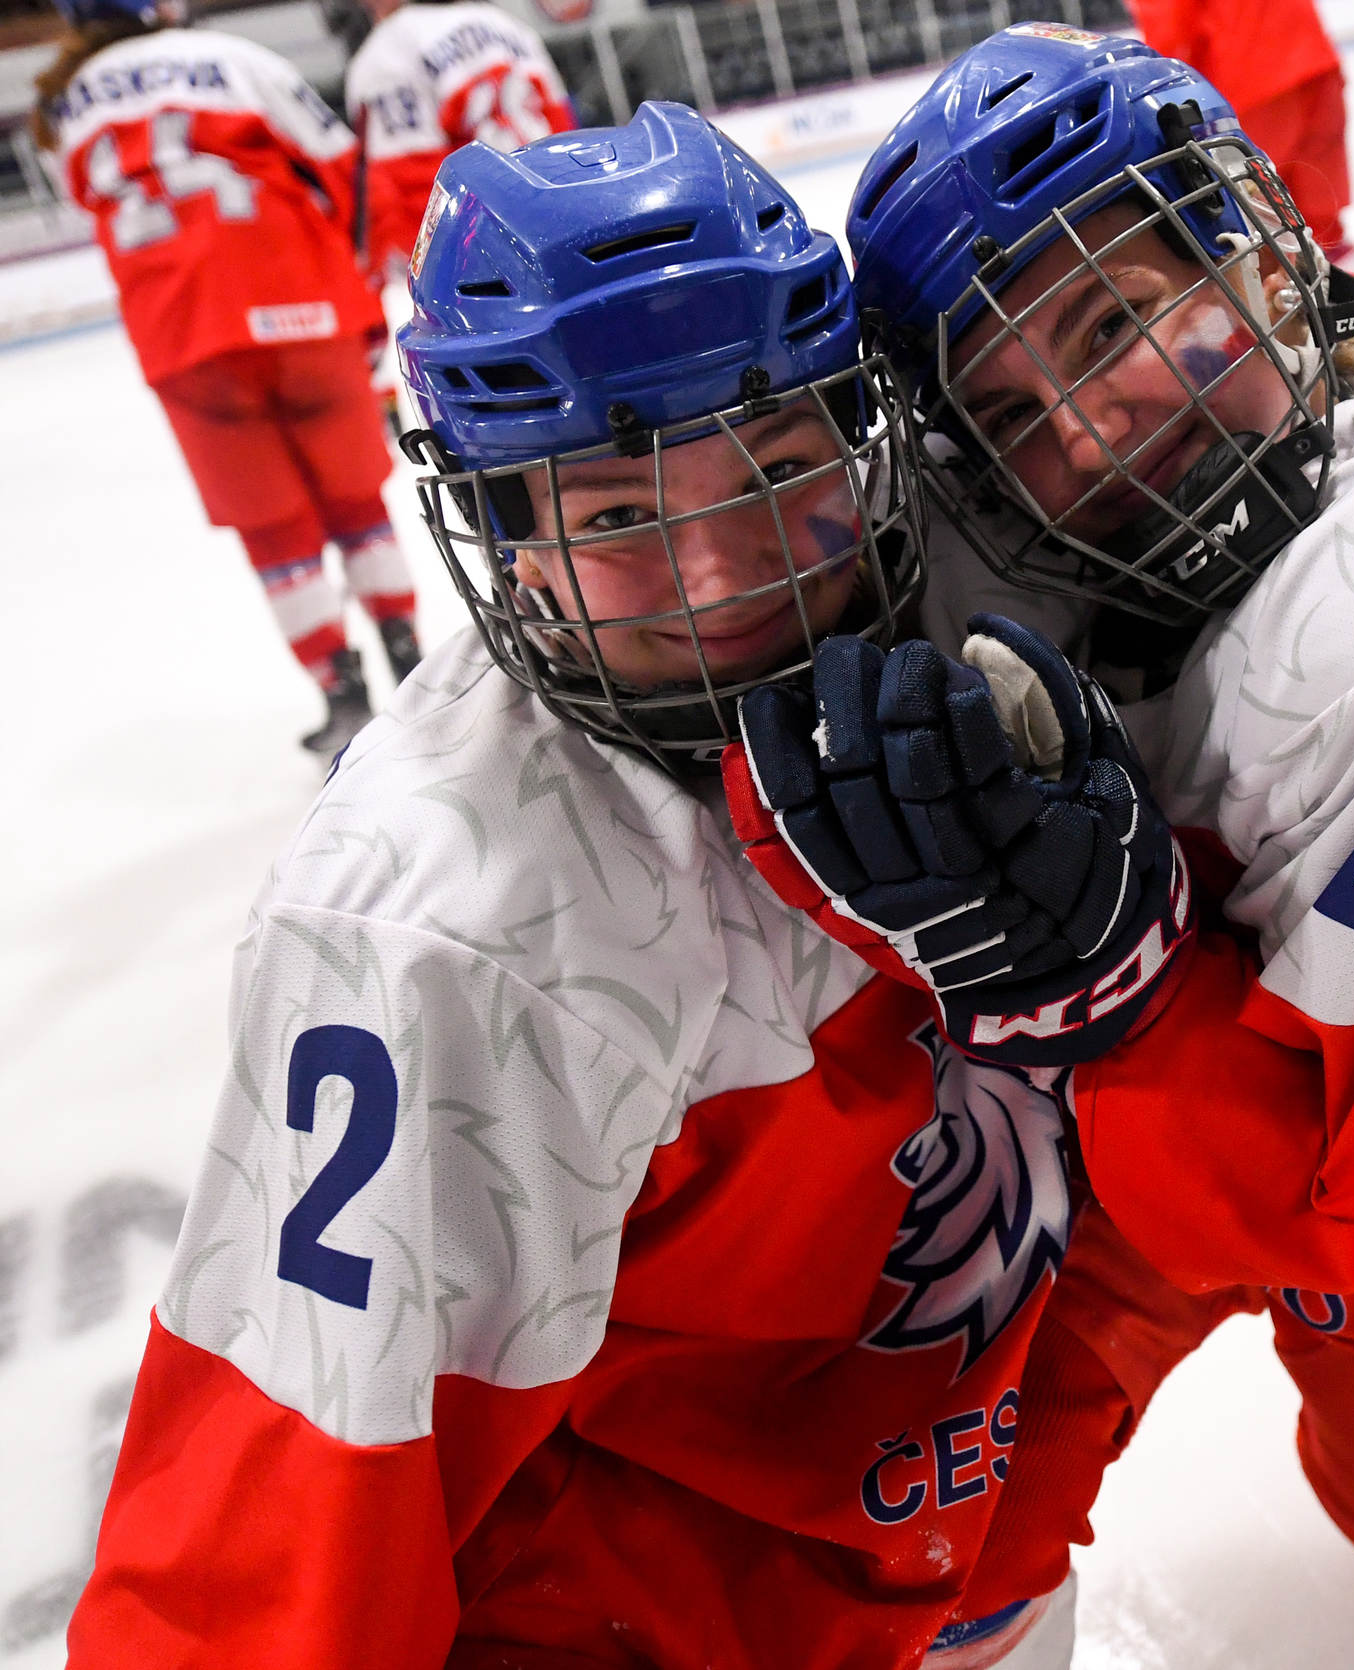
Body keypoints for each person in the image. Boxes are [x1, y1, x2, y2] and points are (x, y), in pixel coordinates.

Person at [732, 22, 1354, 1623]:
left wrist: (1120, 978)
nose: (1080, 431)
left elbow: (1334, 1204)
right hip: (1133, 1087)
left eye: (1111, 318)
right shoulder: (1003, 498)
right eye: (1010, 406)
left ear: (1260, 257)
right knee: (919, 1535)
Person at [65, 103, 1102, 1670]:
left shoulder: (971, 588)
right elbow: (272, 1545)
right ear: (509, 547)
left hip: (973, 1533)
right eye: (620, 514)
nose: (727, 572)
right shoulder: (441, 928)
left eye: (773, 460)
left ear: (863, 435)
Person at [35, 0, 425, 754]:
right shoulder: (235, 58)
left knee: (275, 529)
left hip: (183, 334)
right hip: (302, 300)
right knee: (354, 500)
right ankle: (409, 661)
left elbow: (90, 204)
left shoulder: (61, 109)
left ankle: (341, 693)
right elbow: (347, 168)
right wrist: (360, 285)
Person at [343, 0, 574, 290]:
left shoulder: (385, 51)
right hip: (558, 243)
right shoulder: (509, 26)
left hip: (471, 274)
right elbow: (568, 142)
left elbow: (408, 192)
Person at [1127, 0, 1354, 268]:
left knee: (1257, 219)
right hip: (1311, 58)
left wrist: (1163, 103)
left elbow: (1170, 36)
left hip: (1249, 77)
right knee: (1322, 224)